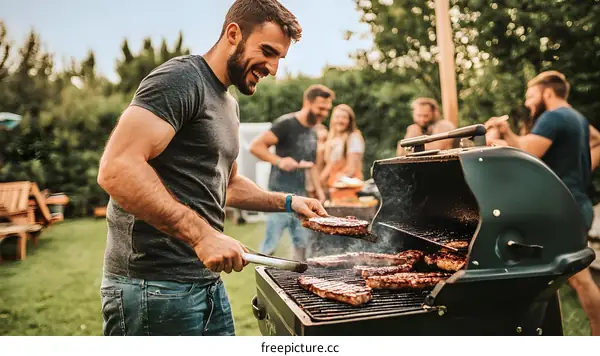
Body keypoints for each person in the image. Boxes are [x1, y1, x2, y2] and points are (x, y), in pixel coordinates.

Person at [96, 0, 328, 336]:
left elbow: (227, 185)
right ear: (233, 34)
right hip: (153, 288)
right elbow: (117, 168)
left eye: (280, 58)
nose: (274, 68)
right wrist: (203, 235)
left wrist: (288, 202)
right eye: (267, 51)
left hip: (204, 283)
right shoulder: (180, 79)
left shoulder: (228, 104)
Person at [486, 70, 600, 335]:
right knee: (557, 276)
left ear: (547, 92)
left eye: (530, 95)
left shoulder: (554, 117)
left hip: (562, 208)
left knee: (579, 279)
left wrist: (502, 137)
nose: (527, 102)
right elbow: (597, 141)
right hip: (574, 202)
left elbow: (528, 153)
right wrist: (583, 168)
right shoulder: (576, 117)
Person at [250, 85, 333, 261]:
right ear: (307, 102)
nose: (324, 114)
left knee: (302, 246)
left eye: (327, 110)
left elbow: (312, 166)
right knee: (270, 245)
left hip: (302, 197)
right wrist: (279, 161)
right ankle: (262, 274)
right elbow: (256, 146)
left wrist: (318, 192)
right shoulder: (286, 124)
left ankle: (298, 278)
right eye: (320, 108)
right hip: (279, 196)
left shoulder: (314, 130)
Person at [320, 104, 365, 188]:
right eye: (337, 117)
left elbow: (351, 169)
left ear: (350, 121)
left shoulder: (353, 137)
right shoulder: (332, 139)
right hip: (332, 187)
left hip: (348, 188)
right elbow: (329, 166)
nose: (340, 120)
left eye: (344, 117)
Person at [306, 123, 329, 199]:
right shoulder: (309, 151)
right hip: (312, 184)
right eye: (318, 140)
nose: (321, 145)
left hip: (326, 184)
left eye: (324, 140)